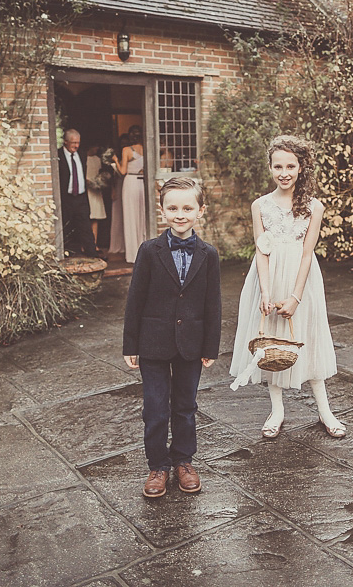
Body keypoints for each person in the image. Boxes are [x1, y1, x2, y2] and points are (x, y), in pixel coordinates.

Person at [229, 135, 346, 439]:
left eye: (290, 166)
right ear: (269, 167)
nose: (284, 172)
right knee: (272, 343)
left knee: (308, 337)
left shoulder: (313, 207)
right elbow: (261, 250)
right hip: (267, 277)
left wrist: (295, 296)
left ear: (300, 167)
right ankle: (277, 410)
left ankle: (325, 411)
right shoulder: (260, 205)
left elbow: (307, 253)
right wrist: (265, 292)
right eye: (277, 166)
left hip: (301, 281)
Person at [123, 177, 222, 499]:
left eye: (188, 208)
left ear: (200, 210)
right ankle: (158, 465)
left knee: (185, 406)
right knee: (155, 409)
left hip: (190, 344)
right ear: (162, 210)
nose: (180, 214)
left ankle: (183, 461)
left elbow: (213, 303)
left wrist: (210, 346)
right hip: (153, 342)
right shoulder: (149, 251)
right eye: (173, 208)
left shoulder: (209, 254)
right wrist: (131, 344)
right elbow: (135, 299)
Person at [56, 129, 100, 258]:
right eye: (73, 142)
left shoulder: (81, 154)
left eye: (78, 142)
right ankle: (68, 257)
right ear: (65, 142)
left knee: (86, 228)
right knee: (67, 229)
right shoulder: (58, 155)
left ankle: (93, 256)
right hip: (66, 199)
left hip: (81, 198)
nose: (76, 145)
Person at [116, 125, 146, 263]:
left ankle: (133, 253)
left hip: (130, 183)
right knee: (142, 215)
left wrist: (116, 161)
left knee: (130, 216)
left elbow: (122, 171)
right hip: (143, 183)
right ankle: (143, 249)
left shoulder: (126, 150)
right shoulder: (146, 148)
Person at [83, 143, 108, 254]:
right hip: (86, 190)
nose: (96, 148)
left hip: (96, 189)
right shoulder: (84, 158)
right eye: (95, 146)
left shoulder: (98, 159)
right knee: (87, 218)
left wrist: (99, 182)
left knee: (96, 217)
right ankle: (85, 244)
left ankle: (95, 244)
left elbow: (100, 173)